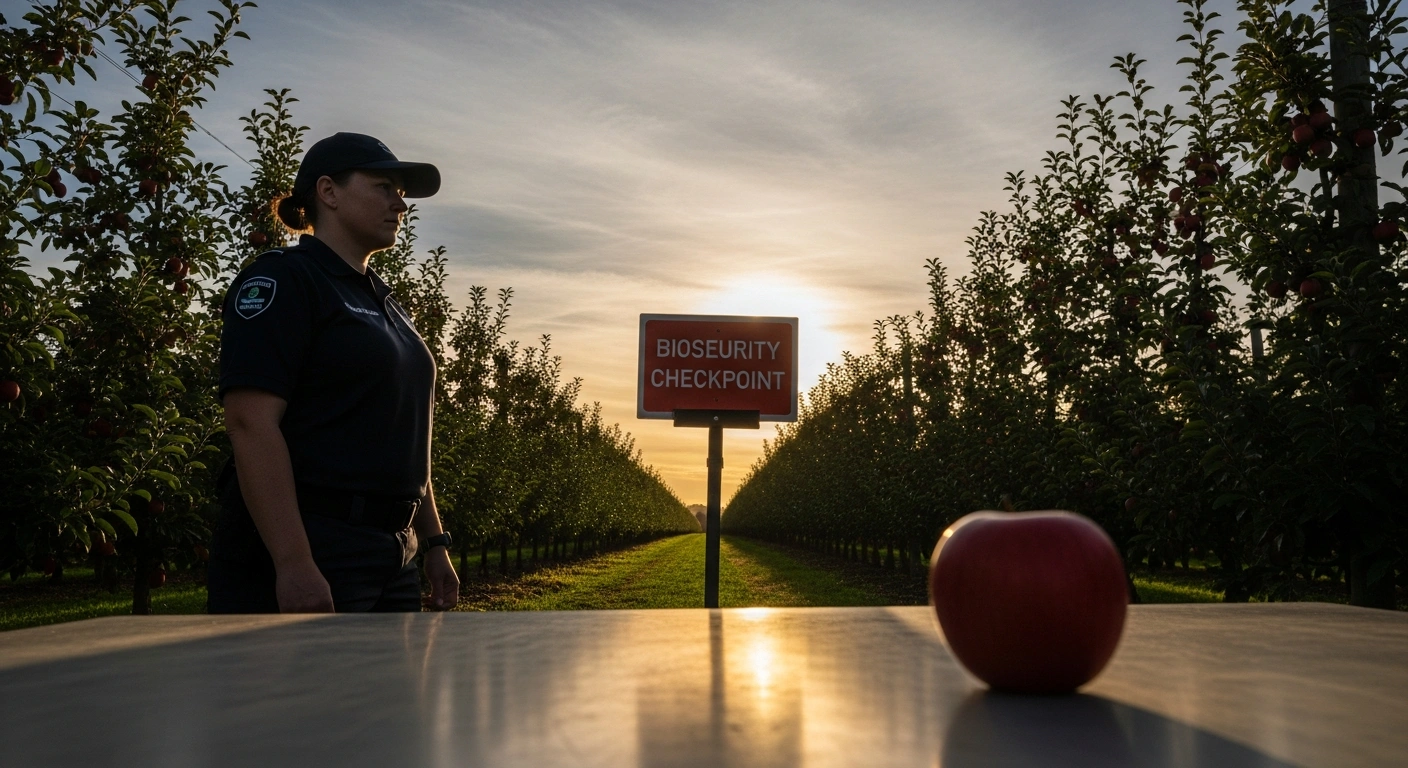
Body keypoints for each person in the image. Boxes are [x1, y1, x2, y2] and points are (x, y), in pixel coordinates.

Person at [207, 132, 459, 613]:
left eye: (401, 193)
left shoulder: (387, 304)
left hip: (393, 553)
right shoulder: (286, 279)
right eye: (385, 186)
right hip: (318, 546)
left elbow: (404, 439)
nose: (400, 205)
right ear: (328, 192)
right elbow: (250, 423)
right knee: (304, 690)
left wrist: (433, 542)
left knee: (390, 690)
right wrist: (294, 562)